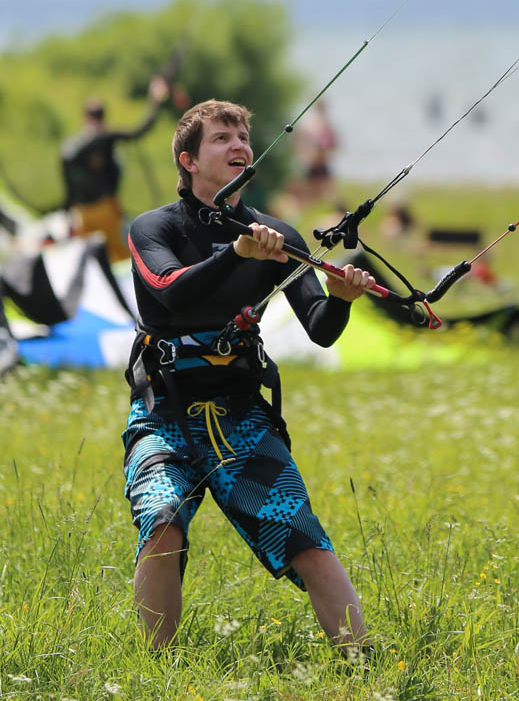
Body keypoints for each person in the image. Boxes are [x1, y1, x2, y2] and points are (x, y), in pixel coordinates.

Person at [122, 99, 375, 651]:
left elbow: (321, 328)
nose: (238, 144)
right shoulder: (153, 227)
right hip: (163, 414)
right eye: (220, 138)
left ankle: (363, 663)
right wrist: (237, 252)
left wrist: (342, 299)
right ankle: (152, 669)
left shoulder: (278, 235)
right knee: (163, 523)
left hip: (241, 417)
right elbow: (168, 289)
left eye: (242, 135)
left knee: (304, 536)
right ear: (188, 160)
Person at [61, 76, 170, 260]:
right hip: (106, 210)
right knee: (124, 257)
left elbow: (68, 184)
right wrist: (155, 98)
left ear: (85, 117)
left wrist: (67, 214)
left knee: (90, 261)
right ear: (103, 117)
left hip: (82, 213)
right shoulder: (106, 135)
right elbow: (140, 130)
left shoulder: (72, 147)